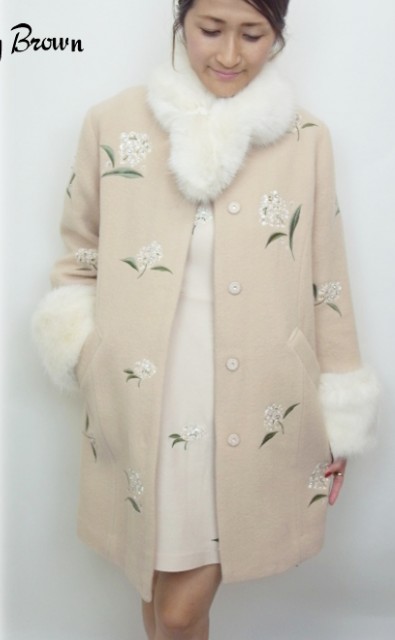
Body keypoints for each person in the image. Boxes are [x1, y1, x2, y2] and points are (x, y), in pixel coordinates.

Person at [32, 1, 379, 638]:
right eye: (210, 30)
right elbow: (79, 257)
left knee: (177, 611)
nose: (229, 55)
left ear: (278, 33)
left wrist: (341, 411)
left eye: (253, 34)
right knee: (157, 597)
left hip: (256, 403)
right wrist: (92, 357)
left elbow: (328, 283)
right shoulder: (113, 123)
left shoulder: (306, 139)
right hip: (144, 401)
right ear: (180, 19)